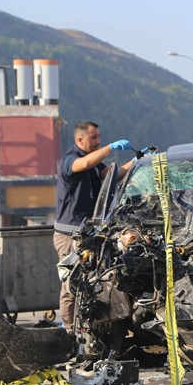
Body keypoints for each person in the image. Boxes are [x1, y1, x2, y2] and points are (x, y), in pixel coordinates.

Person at [54, 121, 135, 330]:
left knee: (93, 280)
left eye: (99, 137)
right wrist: (111, 148)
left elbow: (110, 175)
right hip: (69, 235)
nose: (98, 142)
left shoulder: (92, 163)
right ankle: (70, 330)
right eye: (94, 138)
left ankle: (91, 327)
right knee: (71, 282)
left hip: (90, 234)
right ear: (79, 140)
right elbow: (83, 165)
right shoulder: (70, 160)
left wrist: (136, 162)